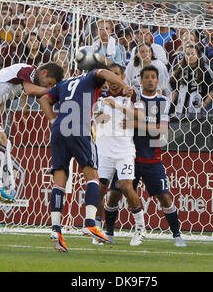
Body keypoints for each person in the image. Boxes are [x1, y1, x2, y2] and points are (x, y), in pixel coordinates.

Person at [39, 62, 134, 252]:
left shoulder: (64, 84)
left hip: (59, 129)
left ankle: (56, 229)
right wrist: (124, 85)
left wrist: (52, 120)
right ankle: (90, 222)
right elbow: (104, 72)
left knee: (59, 180)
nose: (107, 84)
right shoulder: (93, 77)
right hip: (79, 127)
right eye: (105, 81)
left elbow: (43, 99)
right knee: (92, 177)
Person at [0, 63, 64, 215]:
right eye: (49, 83)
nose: (47, 86)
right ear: (44, 72)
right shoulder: (30, 70)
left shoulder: (23, 75)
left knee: (2, 139)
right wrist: (56, 91)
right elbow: (30, 90)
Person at [104, 65, 186, 247]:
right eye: (146, 77)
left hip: (152, 157)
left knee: (164, 197)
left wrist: (135, 124)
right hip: (128, 156)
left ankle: (177, 235)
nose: (150, 80)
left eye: (153, 77)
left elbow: (162, 129)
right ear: (140, 80)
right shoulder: (132, 98)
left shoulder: (163, 101)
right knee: (114, 195)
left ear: (158, 81)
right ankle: (109, 232)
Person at [93, 63, 145, 246]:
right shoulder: (100, 95)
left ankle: (140, 228)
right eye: (109, 76)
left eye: (116, 75)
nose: (112, 80)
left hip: (124, 149)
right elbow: (98, 118)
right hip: (104, 149)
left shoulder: (131, 94)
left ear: (122, 77)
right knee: (99, 189)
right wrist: (104, 117)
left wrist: (118, 108)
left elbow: (139, 117)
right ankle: (98, 231)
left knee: (125, 185)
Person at [169, 44, 213, 118]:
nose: (190, 56)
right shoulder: (179, 70)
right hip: (181, 110)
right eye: (187, 54)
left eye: (193, 54)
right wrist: (169, 103)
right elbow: (175, 90)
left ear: (198, 55)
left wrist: (205, 103)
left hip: (199, 110)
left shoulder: (205, 70)